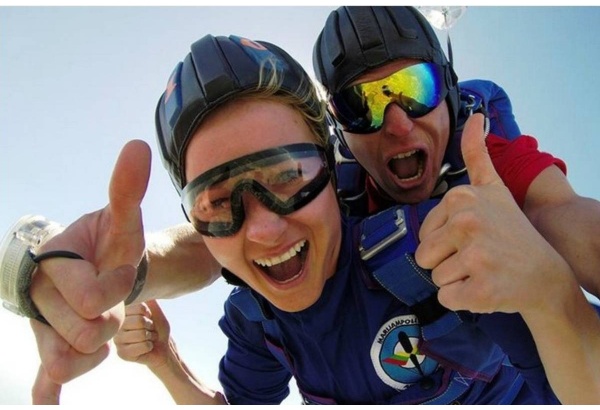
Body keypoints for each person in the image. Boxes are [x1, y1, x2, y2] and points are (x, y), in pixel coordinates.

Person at [2, 4, 599, 403]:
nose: (262, 227)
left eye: (289, 177)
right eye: (217, 200)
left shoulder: (448, 241)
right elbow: (204, 252)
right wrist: (107, 279)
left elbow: (563, 223)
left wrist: (552, 295)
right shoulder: (256, 319)